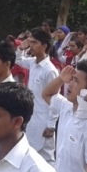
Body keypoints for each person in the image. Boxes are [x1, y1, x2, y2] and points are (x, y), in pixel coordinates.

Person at [16, 28, 60, 164]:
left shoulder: (50, 70)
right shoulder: (33, 63)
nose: (31, 45)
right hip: (32, 118)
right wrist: (21, 48)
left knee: (46, 159)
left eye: (35, 43)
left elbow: (55, 99)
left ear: (44, 46)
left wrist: (51, 125)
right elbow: (18, 59)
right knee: (30, 157)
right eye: (31, 42)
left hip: (44, 120)